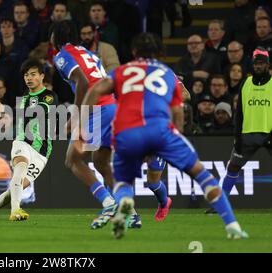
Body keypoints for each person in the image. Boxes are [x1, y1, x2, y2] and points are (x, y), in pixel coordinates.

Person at [82, 32, 248, 240]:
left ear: (133, 52)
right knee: (202, 175)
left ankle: (125, 206)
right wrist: (173, 135)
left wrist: (82, 117)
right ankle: (231, 225)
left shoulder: (121, 71)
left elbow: (96, 89)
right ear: (159, 52)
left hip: (127, 132)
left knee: (122, 181)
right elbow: (179, 110)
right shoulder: (167, 73)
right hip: (160, 131)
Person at [51, 21, 171, 230]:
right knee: (101, 163)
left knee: (72, 160)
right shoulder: (87, 53)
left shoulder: (62, 55)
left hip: (96, 109)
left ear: (54, 36)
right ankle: (130, 213)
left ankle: (108, 203)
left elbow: (83, 82)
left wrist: (77, 116)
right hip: (111, 107)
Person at [0, 58, 58, 222]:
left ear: (42, 76)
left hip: (43, 151)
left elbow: (37, 111)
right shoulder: (23, 98)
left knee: (16, 188)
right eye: (26, 75)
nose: (29, 78)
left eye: (33, 74)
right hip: (22, 142)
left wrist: (6, 110)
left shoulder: (49, 96)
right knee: (20, 166)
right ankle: (15, 211)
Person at [220, 47, 272, 203]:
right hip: (247, 135)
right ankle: (221, 204)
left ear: (268, 65)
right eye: (256, 63)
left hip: (269, 134)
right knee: (232, 168)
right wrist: (237, 136)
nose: (258, 66)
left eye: (261, 63)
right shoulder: (246, 83)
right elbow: (239, 113)